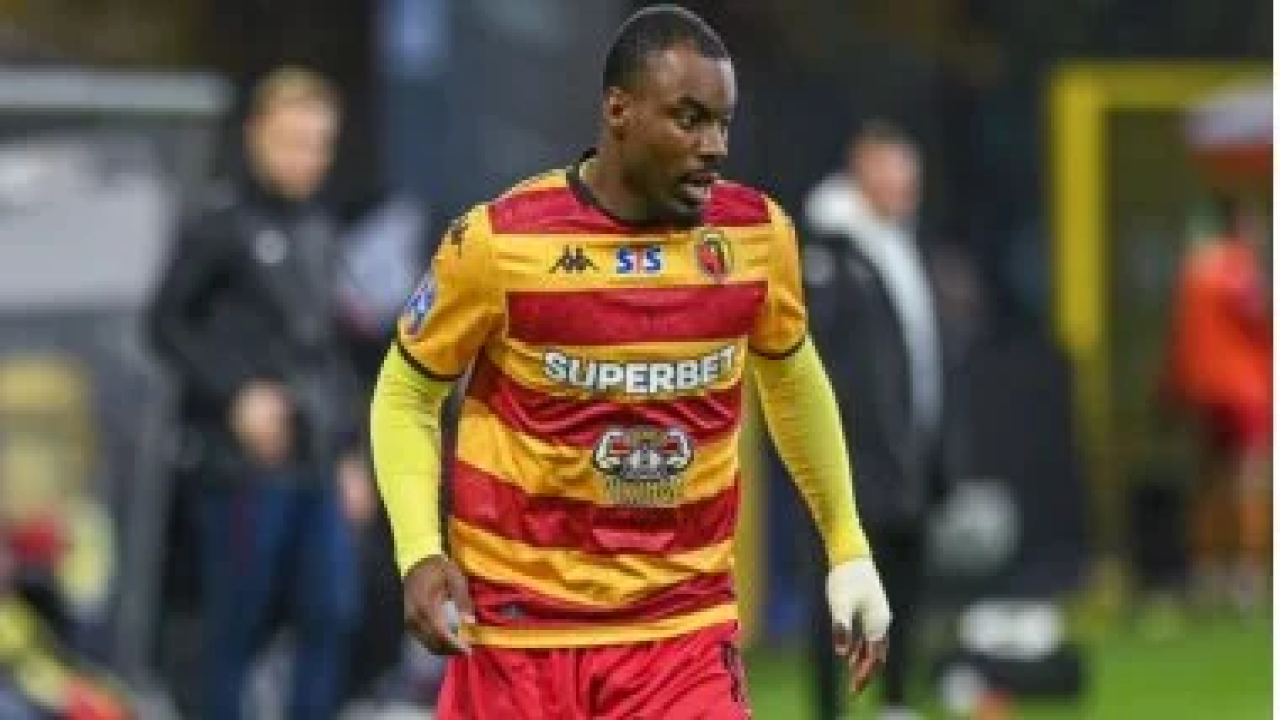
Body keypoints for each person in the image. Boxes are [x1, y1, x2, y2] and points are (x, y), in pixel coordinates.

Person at [369, 6, 892, 718]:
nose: (713, 147)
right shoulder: (501, 245)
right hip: (518, 638)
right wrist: (419, 552)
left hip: (680, 635)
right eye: (689, 120)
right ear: (619, 111)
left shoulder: (756, 239)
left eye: (723, 124)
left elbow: (794, 381)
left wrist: (848, 548)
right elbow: (405, 392)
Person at [147, 66, 374, 720]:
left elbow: (331, 351)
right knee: (237, 620)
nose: (306, 159)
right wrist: (235, 393)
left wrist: (351, 453)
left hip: (317, 458)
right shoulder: (222, 225)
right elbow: (166, 323)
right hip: (245, 464)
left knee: (330, 611)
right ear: (256, 136)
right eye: (292, 141)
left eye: (319, 144)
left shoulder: (321, 229)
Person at [801, 121, 948, 719]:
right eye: (894, 173)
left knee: (906, 583)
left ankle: (896, 704)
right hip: (852, 458)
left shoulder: (901, 246)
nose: (907, 187)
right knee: (834, 593)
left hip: (908, 452)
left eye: (911, 176)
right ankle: (828, 711)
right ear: (861, 171)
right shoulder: (829, 249)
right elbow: (822, 365)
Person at [1165, 196, 1271, 612]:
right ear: (1240, 226)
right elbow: (1260, 316)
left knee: (1209, 480)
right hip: (1245, 389)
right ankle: (1247, 573)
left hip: (1206, 390)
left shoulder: (1196, 270)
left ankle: (1208, 571)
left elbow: (1181, 334)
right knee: (1249, 479)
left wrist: (1175, 388)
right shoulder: (1242, 269)